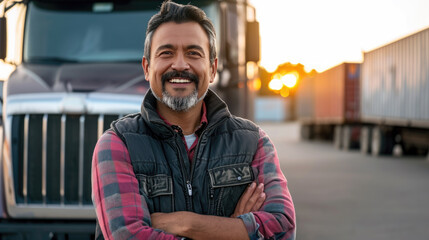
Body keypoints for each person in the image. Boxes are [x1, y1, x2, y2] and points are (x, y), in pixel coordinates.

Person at [91, 1, 295, 239]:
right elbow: (128, 235)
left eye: (193, 53)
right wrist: (231, 230)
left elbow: (283, 227)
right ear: (147, 67)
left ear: (212, 69)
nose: (179, 65)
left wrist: (185, 224)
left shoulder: (254, 143)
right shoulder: (117, 145)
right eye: (166, 53)